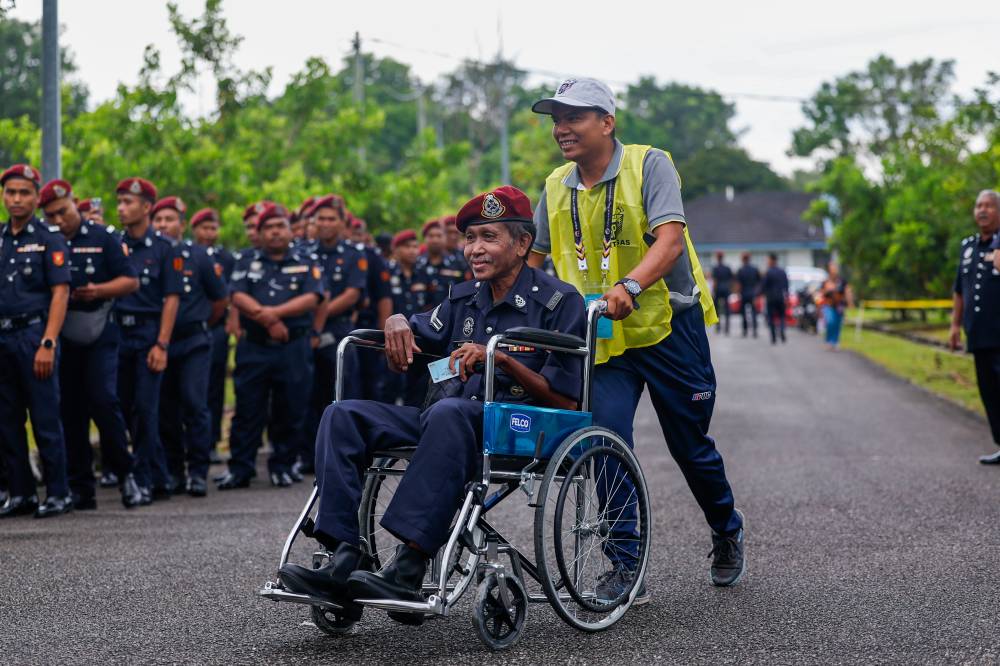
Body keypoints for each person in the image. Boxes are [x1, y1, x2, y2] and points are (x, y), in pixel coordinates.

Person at [275, 186, 585, 623]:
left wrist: (501, 359)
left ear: (521, 243)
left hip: (515, 424)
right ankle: (345, 555)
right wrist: (397, 320)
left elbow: (565, 397)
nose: (474, 249)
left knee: (449, 412)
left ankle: (409, 563)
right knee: (343, 415)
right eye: (470, 238)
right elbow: (418, 330)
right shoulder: (463, 298)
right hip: (444, 422)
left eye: (488, 237)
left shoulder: (558, 301)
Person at [526, 78, 746, 590]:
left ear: (607, 122)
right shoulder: (555, 185)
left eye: (574, 117)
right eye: (556, 119)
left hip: (668, 327)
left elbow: (669, 241)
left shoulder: (650, 164)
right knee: (605, 441)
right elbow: (531, 261)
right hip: (602, 336)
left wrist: (629, 283)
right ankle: (626, 564)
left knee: (689, 445)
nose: (561, 129)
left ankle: (726, 528)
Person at [40, 179, 144, 509]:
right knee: (69, 410)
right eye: (52, 215)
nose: (59, 220)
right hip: (62, 334)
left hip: (99, 330)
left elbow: (130, 281)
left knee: (103, 401)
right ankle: (81, 487)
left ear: (75, 202)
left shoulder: (103, 238)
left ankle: (127, 474)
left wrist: (98, 290)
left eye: (64, 211)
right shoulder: (47, 241)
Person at [217, 203, 323, 490]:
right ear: (260, 233)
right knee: (248, 408)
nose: (275, 232)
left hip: (293, 346)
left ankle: (283, 465)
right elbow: (236, 295)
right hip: (255, 346)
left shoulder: (307, 259)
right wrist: (266, 319)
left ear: (290, 230)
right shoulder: (246, 259)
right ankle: (240, 468)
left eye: (280, 226)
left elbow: (313, 297)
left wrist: (273, 315)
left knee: (291, 407)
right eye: (268, 227)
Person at [0, 164, 73, 518]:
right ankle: (21, 493)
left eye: (24, 193)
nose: (16, 199)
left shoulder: (49, 237)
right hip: (2, 336)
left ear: (34, 197)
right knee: (7, 419)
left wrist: (48, 342)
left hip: (33, 336)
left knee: (45, 417)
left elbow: (61, 292)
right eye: (10, 192)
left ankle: (58, 493)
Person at [152, 197, 228, 496]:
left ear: (182, 225)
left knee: (195, 403)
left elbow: (220, 299)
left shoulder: (198, 256)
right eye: (158, 220)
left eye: (169, 220)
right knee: (165, 408)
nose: (162, 225)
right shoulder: (147, 254)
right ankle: (174, 471)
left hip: (194, 340)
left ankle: (198, 472)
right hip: (159, 344)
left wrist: (201, 323)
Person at [114, 177, 182, 504]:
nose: (122, 208)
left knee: (144, 408)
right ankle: (159, 475)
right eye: (120, 202)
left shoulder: (164, 248)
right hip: (116, 335)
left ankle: (141, 479)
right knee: (122, 407)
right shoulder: (114, 243)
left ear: (146, 207)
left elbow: (171, 299)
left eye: (128, 202)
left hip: (148, 335)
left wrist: (162, 344)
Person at [304, 194, 366, 473]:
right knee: (307, 395)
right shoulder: (303, 252)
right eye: (321, 219)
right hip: (304, 331)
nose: (326, 224)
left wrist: (320, 312)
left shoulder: (354, 254)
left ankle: (344, 454)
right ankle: (308, 456)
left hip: (339, 331)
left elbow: (352, 294)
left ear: (342, 223)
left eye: (332, 219)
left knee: (342, 393)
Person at [951, 190, 1000, 465]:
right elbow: (960, 289)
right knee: (989, 393)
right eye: (979, 205)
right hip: (979, 335)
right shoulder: (968, 246)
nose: (982, 210)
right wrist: (955, 325)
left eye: (989, 206)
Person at [190, 208, 235, 463]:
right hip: (191, 327)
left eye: (213, 228)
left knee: (214, 388)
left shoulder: (226, 258)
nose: (209, 233)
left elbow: (227, 295)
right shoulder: (186, 253)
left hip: (215, 327)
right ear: (194, 230)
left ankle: (211, 442)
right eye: (204, 228)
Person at [384, 229, 431, 406]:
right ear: (395, 250)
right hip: (391, 338)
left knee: (416, 389)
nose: (413, 251)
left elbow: (429, 305)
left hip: (417, 341)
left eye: (415, 246)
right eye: (407, 247)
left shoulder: (423, 273)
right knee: (388, 386)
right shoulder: (386, 272)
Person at [416, 218, 469, 309]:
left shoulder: (458, 264)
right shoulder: (416, 265)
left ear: (445, 237)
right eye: (431, 236)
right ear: (425, 239)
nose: (435, 240)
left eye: (439, 236)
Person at [819, 261, 851, 350]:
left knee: (837, 324)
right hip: (828, 305)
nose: (834, 270)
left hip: (839, 305)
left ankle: (835, 342)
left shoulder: (842, 281)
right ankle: (829, 341)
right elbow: (821, 293)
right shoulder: (826, 281)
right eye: (832, 268)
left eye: (835, 268)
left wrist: (849, 302)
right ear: (829, 270)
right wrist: (828, 289)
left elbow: (847, 291)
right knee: (830, 322)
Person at [762, 253, 789, 345]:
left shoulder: (768, 272)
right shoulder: (782, 271)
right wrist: (787, 297)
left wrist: (761, 294)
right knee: (781, 316)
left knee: (771, 317)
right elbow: (786, 285)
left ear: (772, 260)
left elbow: (764, 286)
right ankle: (781, 329)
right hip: (781, 297)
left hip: (770, 298)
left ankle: (773, 337)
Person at [736, 252, 761, 338]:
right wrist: (757, 293)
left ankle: (745, 330)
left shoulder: (741, 270)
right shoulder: (754, 269)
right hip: (753, 293)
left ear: (743, 259)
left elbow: (739, 284)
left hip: (744, 293)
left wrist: (739, 294)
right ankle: (754, 330)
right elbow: (759, 282)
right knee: (754, 312)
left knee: (743, 313)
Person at [711, 251, 734, 335]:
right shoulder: (727, 268)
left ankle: (718, 326)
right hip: (726, 289)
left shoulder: (715, 268)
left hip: (718, 289)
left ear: (717, 258)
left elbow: (715, 281)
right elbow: (731, 279)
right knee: (727, 309)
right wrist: (730, 288)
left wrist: (713, 290)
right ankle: (727, 328)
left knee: (717, 309)